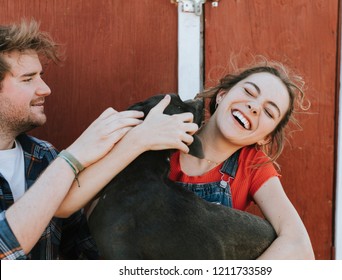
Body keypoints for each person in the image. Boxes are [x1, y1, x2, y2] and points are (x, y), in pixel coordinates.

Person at [0, 20, 198, 260]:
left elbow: (83, 253)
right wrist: (74, 157)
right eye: (28, 79)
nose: (45, 88)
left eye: (41, 76)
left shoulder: (43, 156)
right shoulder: (60, 160)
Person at [168, 60, 315, 259]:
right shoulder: (169, 136)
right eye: (249, 92)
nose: (254, 106)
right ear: (222, 95)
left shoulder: (253, 166)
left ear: (266, 137)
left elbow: (300, 246)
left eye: (269, 112)